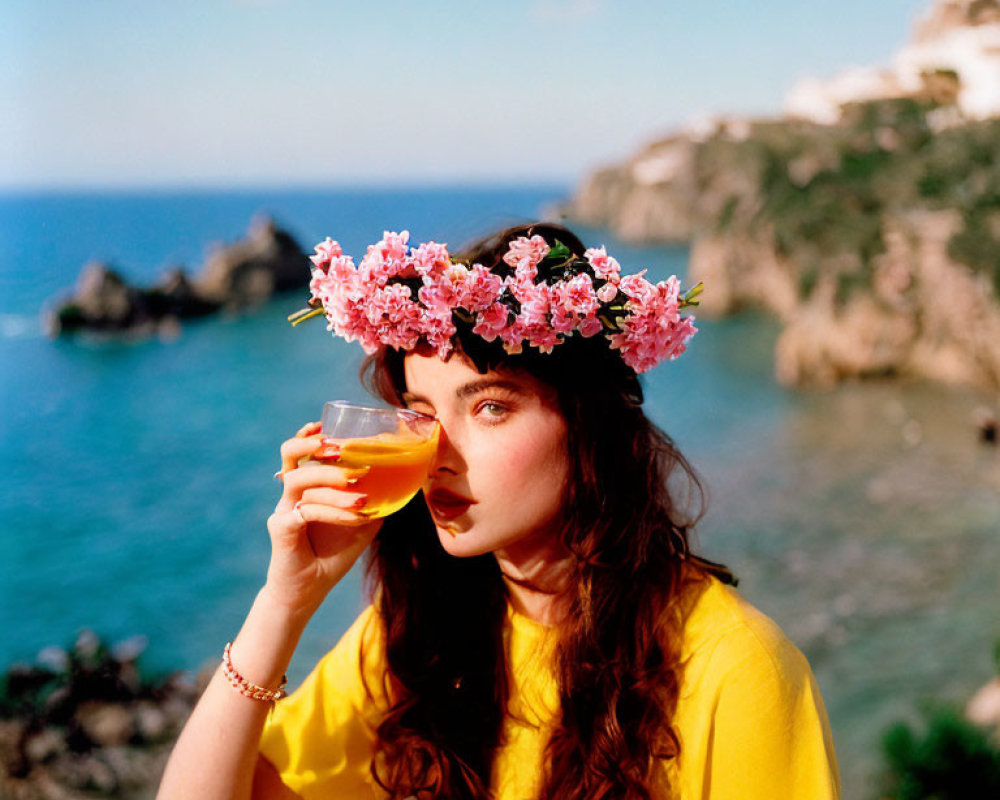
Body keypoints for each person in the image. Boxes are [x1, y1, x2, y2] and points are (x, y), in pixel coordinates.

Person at [157, 223, 840, 800]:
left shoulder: (735, 670)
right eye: (420, 414)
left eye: (489, 406)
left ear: (590, 426)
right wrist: (284, 603)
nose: (439, 454)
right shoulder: (419, 638)